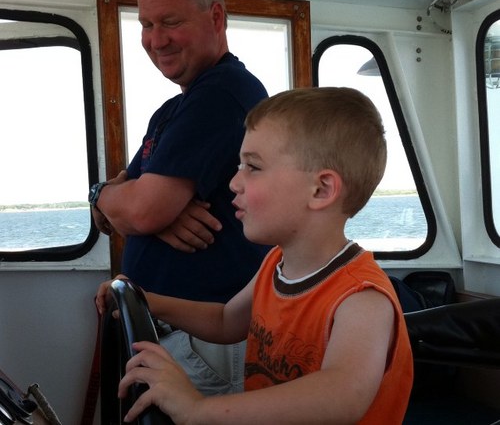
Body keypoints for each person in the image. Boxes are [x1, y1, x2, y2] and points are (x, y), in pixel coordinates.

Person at [116, 87, 414, 424]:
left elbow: (343, 394)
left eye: (252, 167)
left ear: (321, 190)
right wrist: (145, 299)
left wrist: (198, 409)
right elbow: (226, 321)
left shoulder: (360, 297)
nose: (234, 182)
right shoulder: (276, 264)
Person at [92, 0, 270, 394]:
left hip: (204, 341)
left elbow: (141, 211)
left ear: (216, 17)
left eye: (169, 22)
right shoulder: (171, 112)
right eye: (146, 25)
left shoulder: (223, 93)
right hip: (168, 333)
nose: (156, 40)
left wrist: (134, 208)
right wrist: (107, 197)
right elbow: (117, 214)